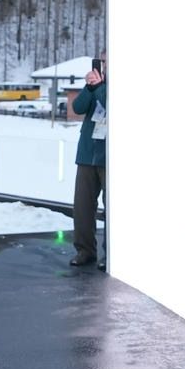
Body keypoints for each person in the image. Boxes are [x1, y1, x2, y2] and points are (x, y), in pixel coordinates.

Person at [70, 51, 107, 269]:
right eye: (101, 62)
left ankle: (111, 254)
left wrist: (100, 87)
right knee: (82, 207)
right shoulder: (95, 86)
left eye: (106, 62)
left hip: (109, 157)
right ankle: (85, 251)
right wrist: (89, 88)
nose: (102, 65)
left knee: (112, 208)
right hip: (87, 154)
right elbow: (78, 108)